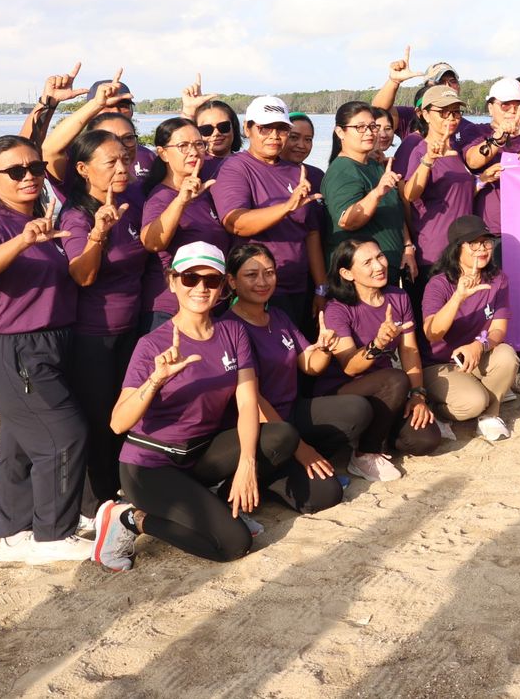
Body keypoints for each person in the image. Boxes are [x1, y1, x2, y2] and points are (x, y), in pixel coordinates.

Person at [92, 241, 301, 569]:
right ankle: (129, 519)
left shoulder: (232, 331)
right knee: (234, 543)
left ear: (222, 287)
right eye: (190, 278)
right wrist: (156, 380)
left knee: (281, 435)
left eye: (211, 280)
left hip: (199, 456)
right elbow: (118, 423)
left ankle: (217, 500)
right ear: (173, 281)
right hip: (150, 465)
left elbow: (248, 402)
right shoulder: (152, 344)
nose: (201, 288)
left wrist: (247, 464)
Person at [0, 136, 93, 564]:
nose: (29, 177)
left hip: (45, 344)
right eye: (15, 171)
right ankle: (54, 534)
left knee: (18, 442)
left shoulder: (39, 218)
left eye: (35, 168)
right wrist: (20, 242)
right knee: (65, 435)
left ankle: (15, 533)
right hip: (12, 348)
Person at [221, 243, 366, 513]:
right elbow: (253, 400)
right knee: (327, 493)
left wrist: (324, 348)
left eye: (269, 273)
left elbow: (310, 365)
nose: (262, 282)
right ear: (231, 281)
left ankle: (297, 463)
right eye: (251, 275)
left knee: (357, 410)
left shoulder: (277, 315)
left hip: (291, 413)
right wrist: (301, 449)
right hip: (264, 430)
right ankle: (263, 477)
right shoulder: (228, 328)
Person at [59, 127, 150, 523]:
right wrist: (98, 233)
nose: (122, 168)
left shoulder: (131, 201)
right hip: (93, 335)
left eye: (125, 159)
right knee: (98, 419)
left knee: (125, 413)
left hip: (131, 328)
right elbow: (82, 275)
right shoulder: (76, 215)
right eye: (110, 162)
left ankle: (119, 490)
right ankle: (92, 506)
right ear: (83, 169)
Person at [317, 240, 444, 479]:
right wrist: (378, 344)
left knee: (426, 440)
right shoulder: (338, 308)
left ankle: (378, 433)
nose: (379, 266)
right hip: (344, 391)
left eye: (380, 257)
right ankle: (364, 453)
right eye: (367, 262)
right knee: (395, 379)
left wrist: (418, 395)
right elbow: (349, 366)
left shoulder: (398, 296)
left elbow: (409, 351)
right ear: (347, 273)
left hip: (389, 391)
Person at [211, 96, 327, 331]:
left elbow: (310, 233)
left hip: (299, 287)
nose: (274, 136)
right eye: (265, 128)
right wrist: (286, 207)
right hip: (258, 289)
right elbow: (236, 223)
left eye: (281, 129)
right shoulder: (236, 167)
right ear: (248, 129)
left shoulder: (296, 172)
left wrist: (321, 288)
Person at [421, 217, 520, 441]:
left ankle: (490, 416)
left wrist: (480, 345)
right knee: (473, 402)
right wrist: (458, 297)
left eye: (486, 242)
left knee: (507, 355)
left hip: (476, 357)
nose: (482, 249)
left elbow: (498, 329)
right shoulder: (438, 284)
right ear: (457, 248)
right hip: (441, 365)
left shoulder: (498, 279)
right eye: (474, 244)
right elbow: (432, 333)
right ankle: (437, 410)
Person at [142, 118, 231, 329]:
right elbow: (152, 243)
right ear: (163, 153)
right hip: (172, 310)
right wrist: (181, 201)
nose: (193, 152)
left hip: (207, 304)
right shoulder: (161, 198)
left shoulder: (204, 192)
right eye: (183, 146)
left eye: (199, 144)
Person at [395, 85, 483, 272]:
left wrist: (483, 179)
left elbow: (457, 196)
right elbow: (409, 195)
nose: (451, 118)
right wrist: (428, 161)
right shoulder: (420, 151)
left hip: (463, 250)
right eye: (443, 112)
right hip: (435, 253)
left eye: (456, 112)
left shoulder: (457, 150)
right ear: (426, 115)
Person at [323, 101, 412, 283]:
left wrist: (408, 247)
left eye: (372, 126)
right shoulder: (342, 170)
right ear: (340, 132)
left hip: (388, 268)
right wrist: (376, 193)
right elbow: (347, 221)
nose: (370, 132)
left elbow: (394, 210)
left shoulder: (374, 164)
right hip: (361, 278)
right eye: (360, 127)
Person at [475, 78, 520, 236]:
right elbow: (473, 161)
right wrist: (499, 137)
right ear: (490, 108)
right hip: (488, 231)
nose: (512, 111)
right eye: (505, 105)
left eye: (518, 106)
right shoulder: (476, 132)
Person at [193, 98, 243, 165]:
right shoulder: (194, 165)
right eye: (206, 129)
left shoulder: (247, 163)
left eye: (223, 126)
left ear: (234, 126)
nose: (216, 133)